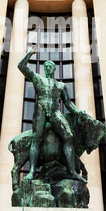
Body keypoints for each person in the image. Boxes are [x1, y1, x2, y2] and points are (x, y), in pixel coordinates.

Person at [17, 45, 87, 183]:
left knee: (69, 136)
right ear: (44, 70)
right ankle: (31, 171)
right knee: (36, 139)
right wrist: (29, 53)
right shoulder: (38, 79)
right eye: (46, 67)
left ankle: (72, 171)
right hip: (41, 110)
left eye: (50, 66)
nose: (48, 68)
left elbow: (68, 103)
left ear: (54, 69)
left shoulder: (61, 85)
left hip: (55, 111)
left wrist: (79, 112)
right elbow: (21, 66)